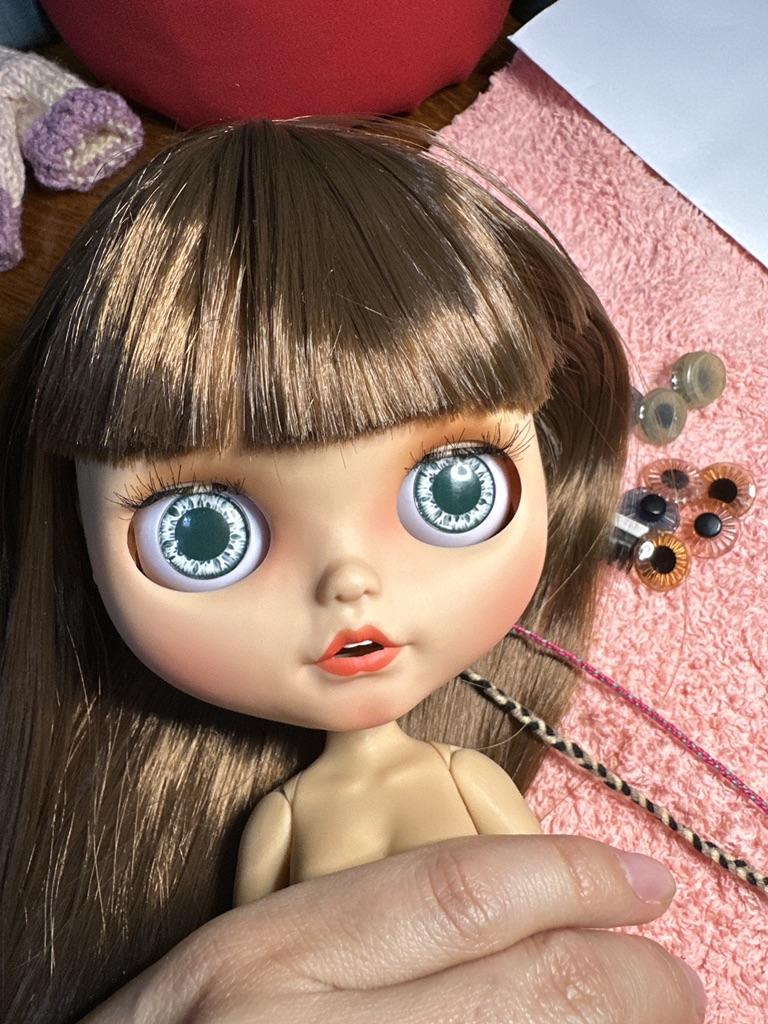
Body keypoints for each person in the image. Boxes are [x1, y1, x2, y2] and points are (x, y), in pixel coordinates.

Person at [0, 115, 705, 1022]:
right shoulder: (280, 821)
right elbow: (253, 951)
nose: (350, 582)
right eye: (202, 534)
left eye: (452, 489)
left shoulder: (463, 780)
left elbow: (540, 918)